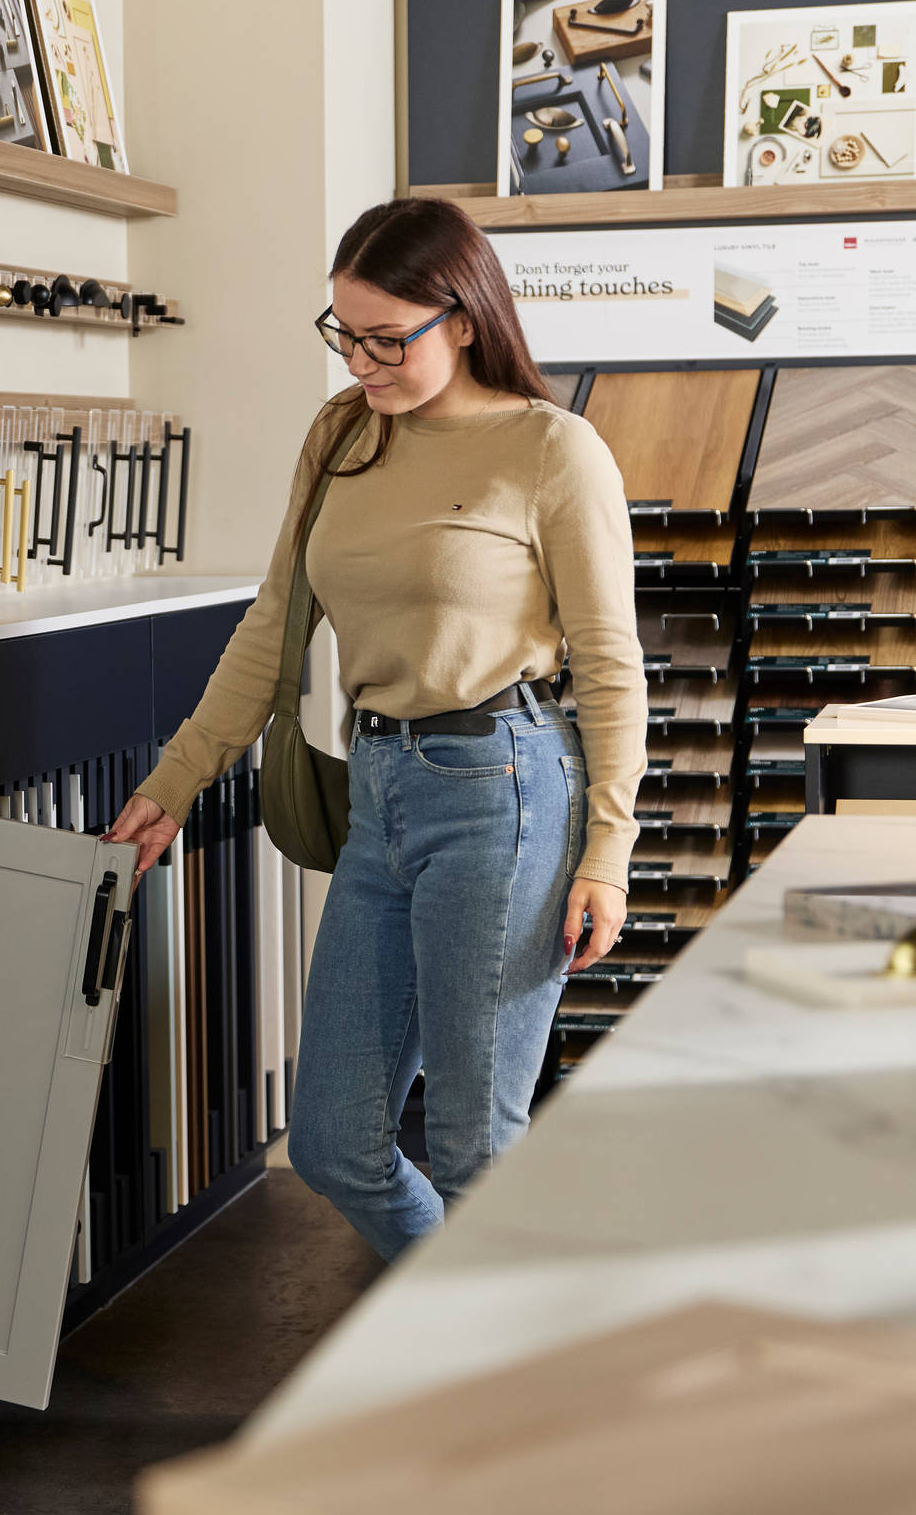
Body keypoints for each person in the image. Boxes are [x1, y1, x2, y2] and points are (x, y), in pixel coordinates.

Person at [103, 197, 647, 1261]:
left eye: (386, 338)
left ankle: (480, 1391)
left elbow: (611, 665)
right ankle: (471, 1316)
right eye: (343, 333)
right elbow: (273, 622)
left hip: (506, 788)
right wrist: (176, 778)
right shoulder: (342, 434)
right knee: (335, 1139)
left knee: (471, 1147)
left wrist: (609, 853)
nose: (361, 359)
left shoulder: (550, 450)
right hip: (381, 788)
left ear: (464, 318)